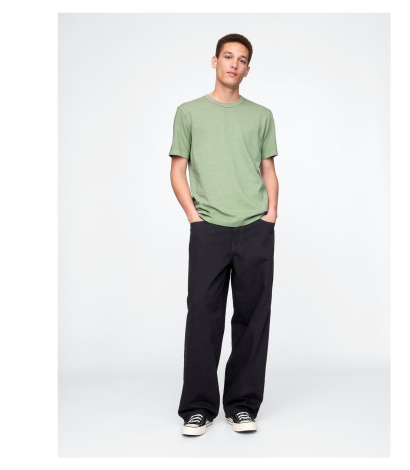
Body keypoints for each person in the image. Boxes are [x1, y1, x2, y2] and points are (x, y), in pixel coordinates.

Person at [168, 33, 279, 436]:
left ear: (248, 69)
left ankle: (242, 406)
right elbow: (177, 169)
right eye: (228, 56)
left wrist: (270, 215)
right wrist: (194, 217)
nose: (234, 64)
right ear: (214, 61)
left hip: (255, 228)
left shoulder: (261, 115)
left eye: (242, 59)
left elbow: (268, 169)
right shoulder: (189, 112)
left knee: (253, 318)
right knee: (203, 317)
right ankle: (198, 408)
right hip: (209, 229)